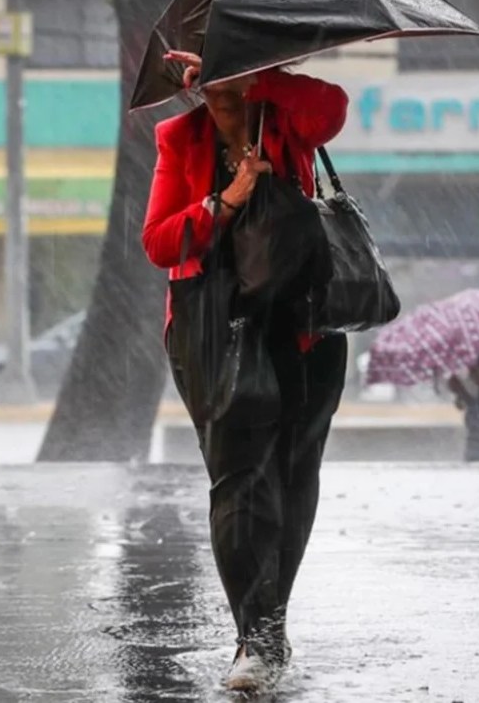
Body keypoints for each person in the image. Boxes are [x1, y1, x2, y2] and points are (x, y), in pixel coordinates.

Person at [142, 50, 349, 693]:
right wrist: (225, 202)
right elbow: (158, 241)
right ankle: (253, 640)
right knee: (238, 482)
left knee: (293, 476)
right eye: (209, 84)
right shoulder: (180, 138)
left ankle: (270, 624)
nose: (219, 96)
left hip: (305, 325)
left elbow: (334, 107)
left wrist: (255, 76)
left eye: (228, 78)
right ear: (192, 85)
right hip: (214, 329)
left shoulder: (286, 119)